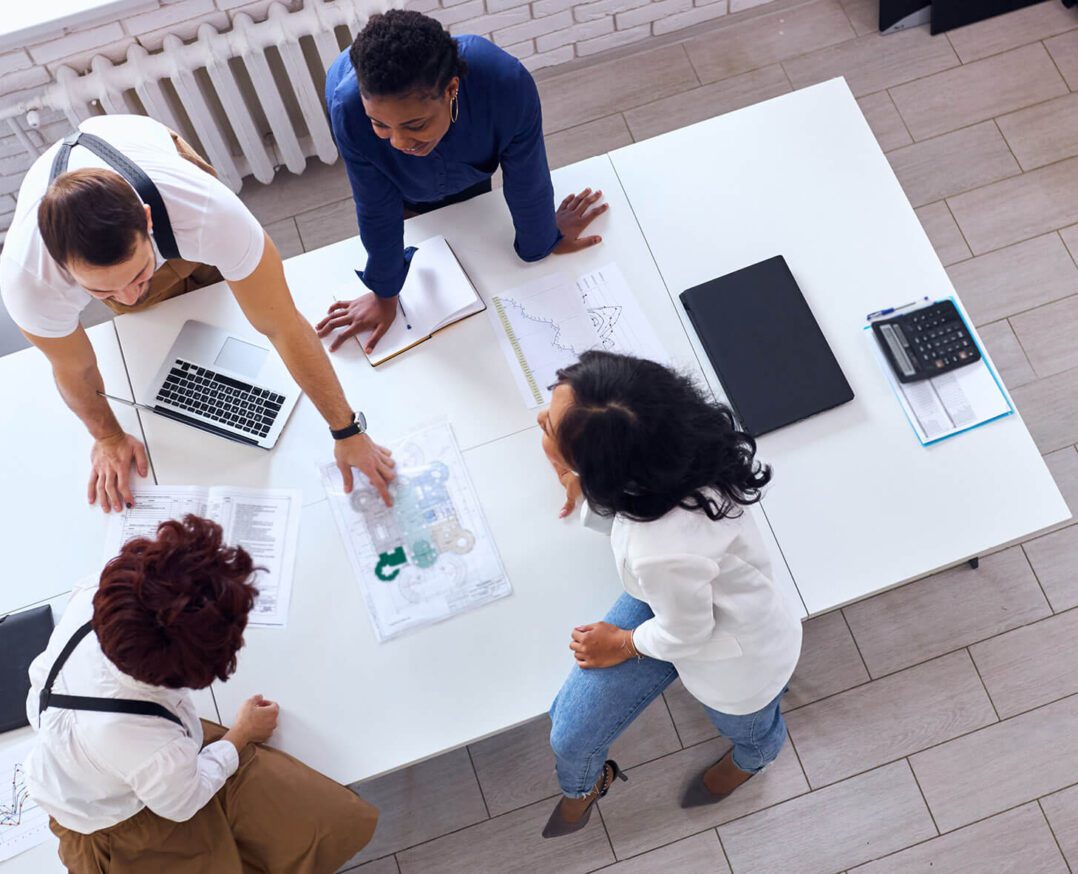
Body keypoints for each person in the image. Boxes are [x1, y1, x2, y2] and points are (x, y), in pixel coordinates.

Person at [0, 114, 397, 513]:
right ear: (61, 267)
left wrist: (346, 431)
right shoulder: (27, 279)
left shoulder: (204, 209)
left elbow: (281, 324)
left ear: (148, 219)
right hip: (121, 229)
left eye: (138, 274)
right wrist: (107, 438)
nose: (128, 294)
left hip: (147, 151)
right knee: (154, 314)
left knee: (236, 292)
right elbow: (75, 370)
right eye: (102, 290)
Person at [535, 351, 803, 838]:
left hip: (729, 653)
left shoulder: (662, 552)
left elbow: (690, 629)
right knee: (569, 726)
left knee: (746, 722)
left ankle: (757, 756)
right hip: (683, 595)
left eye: (549, 429)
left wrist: (623, 644)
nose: (538, 421)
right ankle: (585, 784)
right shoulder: (680, 448)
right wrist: (580, 477)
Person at [25, 514, 378, 872]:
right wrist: (240, 736)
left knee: (314, 819)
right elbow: (182, 801)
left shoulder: (94, 595)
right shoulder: (147, 744)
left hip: (105, 771)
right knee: (318, 827)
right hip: (123, 827)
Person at [317, 10, 608, 354]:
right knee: (416, 213)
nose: (397, 141)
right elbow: (376, 207)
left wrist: (543, 238)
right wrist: (385, 292)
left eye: (413, 125)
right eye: (380, 124)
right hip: (398, 188)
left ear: (452, 88)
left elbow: (527, 174)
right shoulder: (348, 109)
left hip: (471, 171)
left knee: (469, 214)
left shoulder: (506, 84)